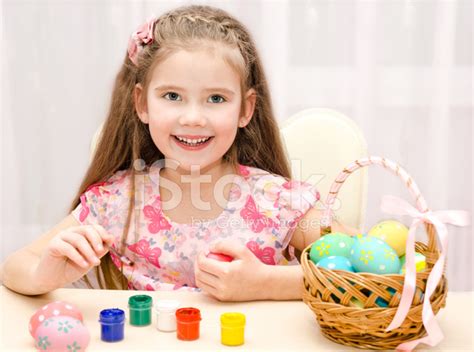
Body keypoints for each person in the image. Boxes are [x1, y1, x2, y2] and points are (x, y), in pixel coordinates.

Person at [0, 5, 358, 300]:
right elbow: (14, 267)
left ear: (245, 109)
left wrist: (266, 283)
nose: (193, 118)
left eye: (216, 99)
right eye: (172, 96)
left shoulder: (280, 203)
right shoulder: (117, 202)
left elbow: (370, 270)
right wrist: (44, 272)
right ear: (141, 103)